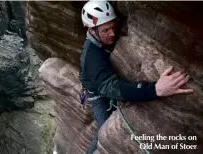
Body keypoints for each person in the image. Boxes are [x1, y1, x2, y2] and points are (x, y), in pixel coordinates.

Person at [79, 1, 193, 154]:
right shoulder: (91, 58)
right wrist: (155, 90)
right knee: (104, 129)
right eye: (106, 30)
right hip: (97, 95)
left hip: (105, 80)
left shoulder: (108, 36)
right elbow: (112, 88)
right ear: (91, 31)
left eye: (113, 26)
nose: (112, 33)